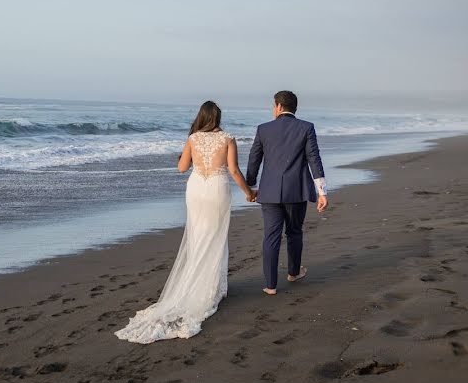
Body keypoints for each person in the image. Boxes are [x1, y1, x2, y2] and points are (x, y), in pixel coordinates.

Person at [114, 101, 255, 344]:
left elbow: (181, 168)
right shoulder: (228, 139)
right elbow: (233, 170)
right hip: (217, 189)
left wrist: (187, 157)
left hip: (196, 188)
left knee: (197, 235)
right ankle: (210, 290)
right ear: (218, 117)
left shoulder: (193, 138)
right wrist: (248, 192)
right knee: (214, 236)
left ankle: (197, 286)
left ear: (201, 117)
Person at [246, 90, 328, 295]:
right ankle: (293, 273)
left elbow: (254, 159)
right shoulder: (306, 128)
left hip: (269, 191)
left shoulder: (263, 129)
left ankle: (270, 285)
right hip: (297, 191)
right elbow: (314, 159)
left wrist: (251, 186)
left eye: (274, 106)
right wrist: (322, 192)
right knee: (294, 232)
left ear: (279, 106)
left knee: (271, 236)